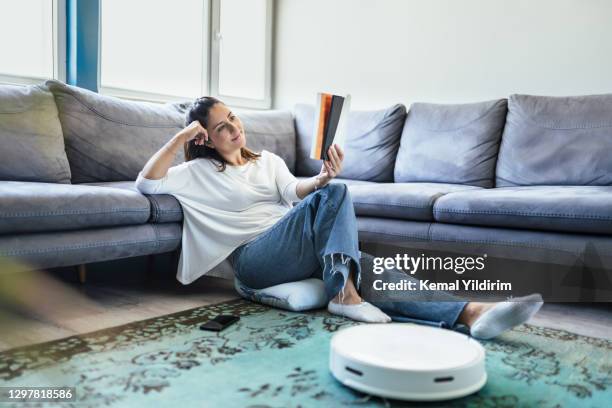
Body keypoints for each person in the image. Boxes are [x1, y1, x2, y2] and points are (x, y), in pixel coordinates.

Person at [135, 96, 543, 340]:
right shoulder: (198, 173)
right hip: (255, 259)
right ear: (205, 137)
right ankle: (344, 296)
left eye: (234, 118)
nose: (234, 128)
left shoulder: (268, 161)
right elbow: (147, 185)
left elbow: (293, 193)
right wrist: (179, 137)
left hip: (295, 246)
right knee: (337, 197)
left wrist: (322, 178)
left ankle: (471, 313)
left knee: (369, 264)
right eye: (222, 127)